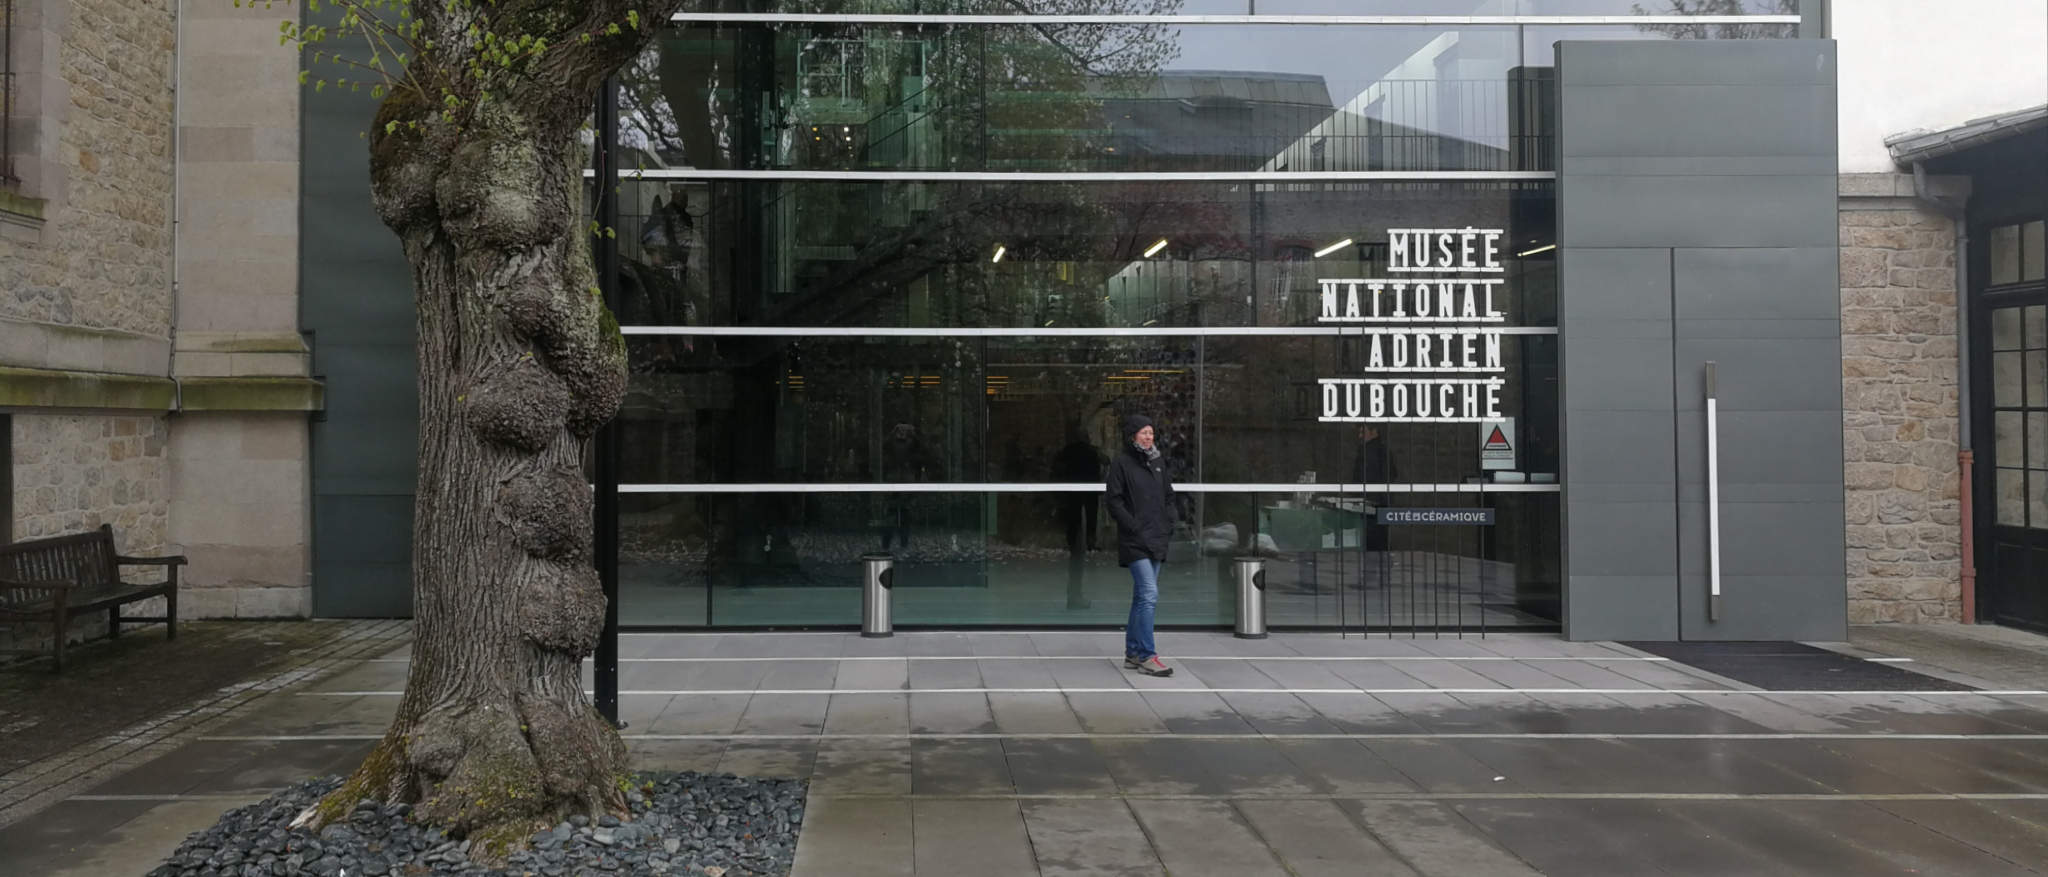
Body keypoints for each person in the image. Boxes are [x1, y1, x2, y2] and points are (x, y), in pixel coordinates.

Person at [1106, 414, 1174, 677]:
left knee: (1141, 597)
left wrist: (1169, 521)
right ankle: (1147, 655)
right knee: (1149, 594)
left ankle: (1133, 653)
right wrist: (1132, 526)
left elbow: (1168, 496)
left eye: (1151, 432)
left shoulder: (1158, 462)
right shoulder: (1121, 463)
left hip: (1157, 537)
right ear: (1133, 435)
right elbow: (1114, 501)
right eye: (1144, 432)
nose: (1149, 437)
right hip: (1134, 540)